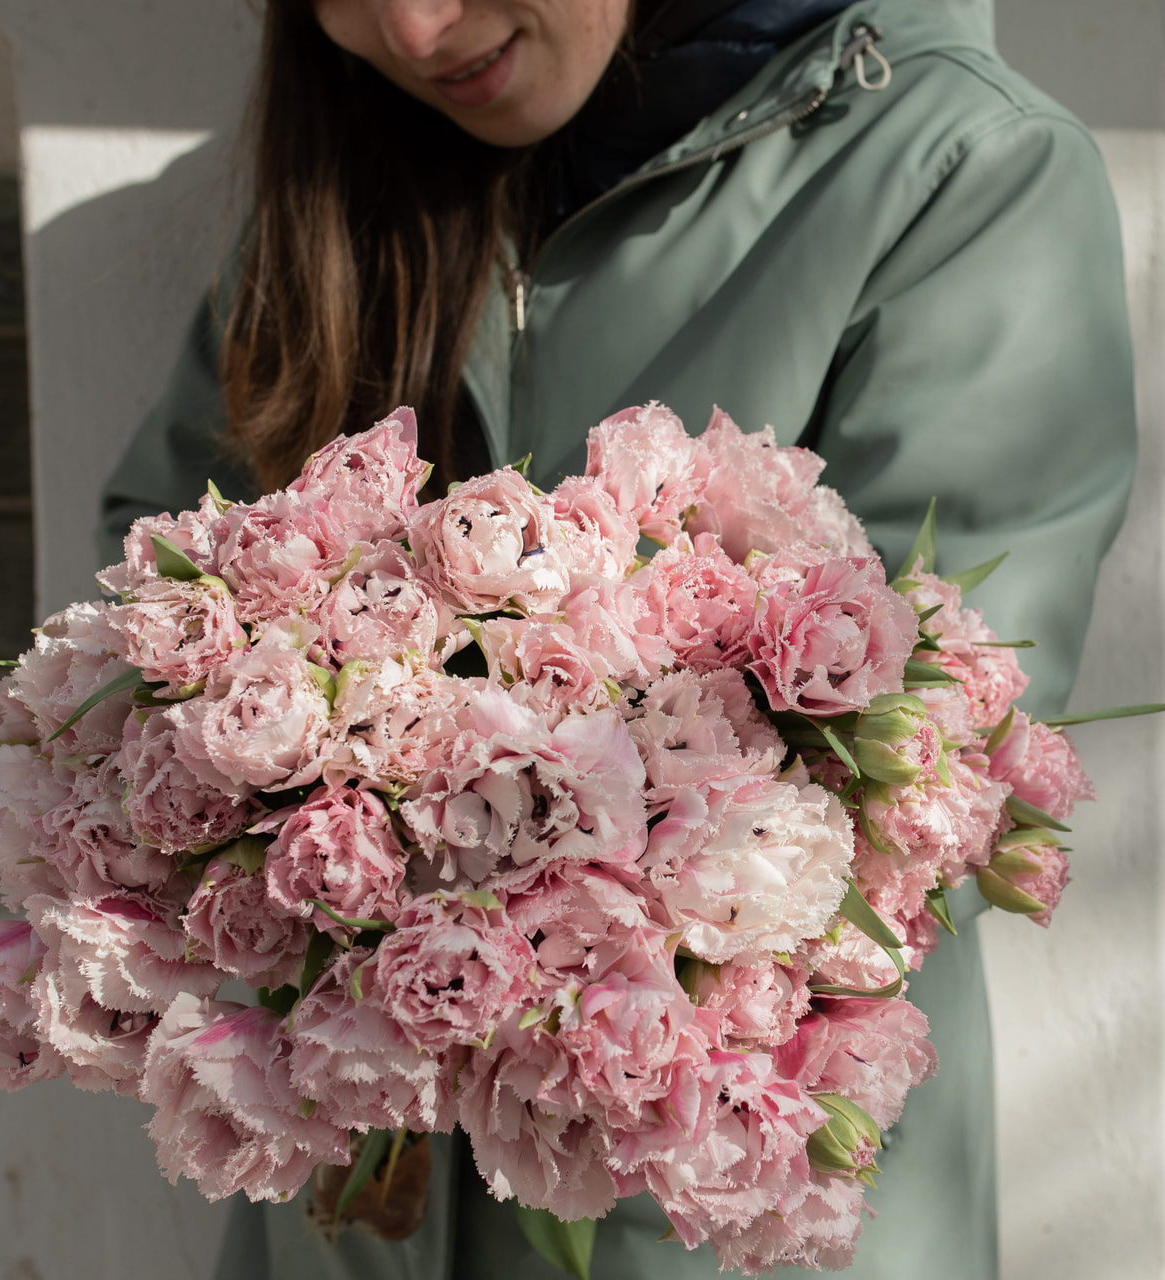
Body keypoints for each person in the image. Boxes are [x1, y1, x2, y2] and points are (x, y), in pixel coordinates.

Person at [100, 1, 1137, 1276]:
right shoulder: (348, 166)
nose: (415, 30)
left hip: (705, 1200)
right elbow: (154, 580)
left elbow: (929, 753)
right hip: (355, 1210)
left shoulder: (952, 169)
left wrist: (405, 765)